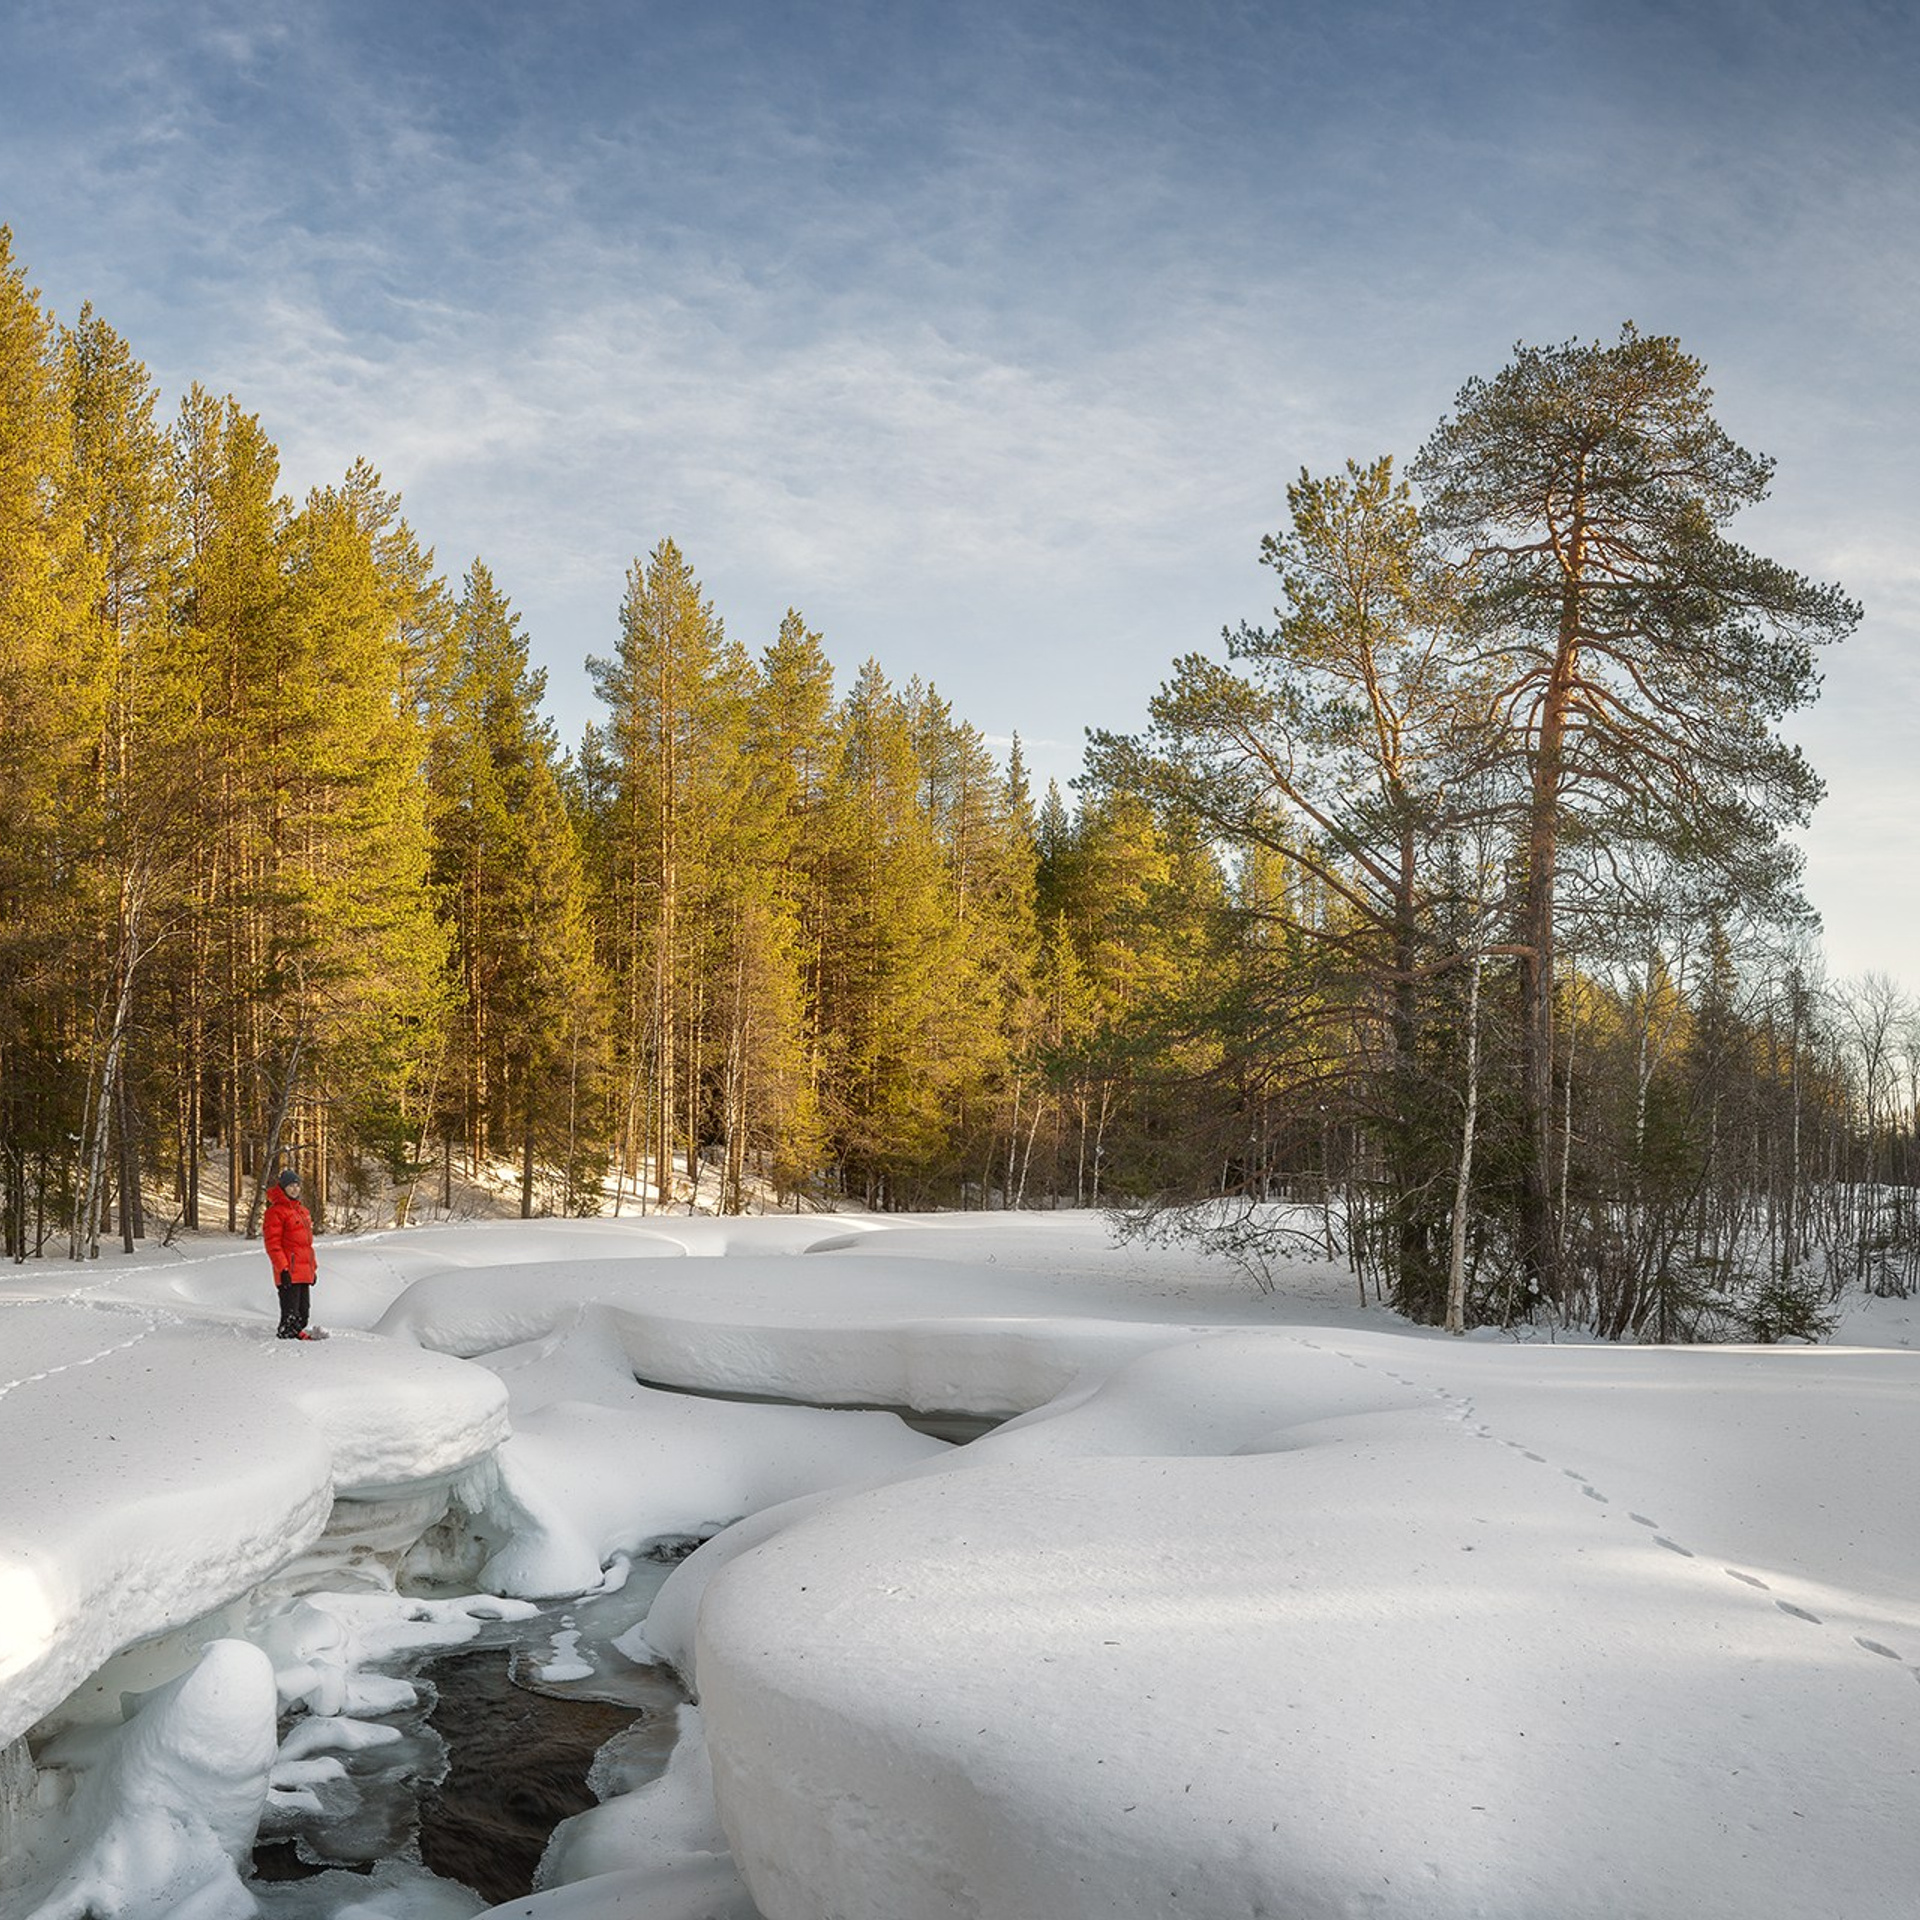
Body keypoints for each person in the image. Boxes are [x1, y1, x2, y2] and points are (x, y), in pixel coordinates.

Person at [263, 1168, 318, 1339]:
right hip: (288, 1270)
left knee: (303, 1313)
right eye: (290, 1186)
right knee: (290, 1313)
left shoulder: (303, 1211)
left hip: (304, 1270)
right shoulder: (275, 1212)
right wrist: (283, 1269)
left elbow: (307, 1245)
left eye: (297, 1185)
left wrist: (312, 1269)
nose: (295, 1189)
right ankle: (287, 1341)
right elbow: (273, 1244)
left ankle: (297, 1334)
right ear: (283, 1188)